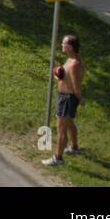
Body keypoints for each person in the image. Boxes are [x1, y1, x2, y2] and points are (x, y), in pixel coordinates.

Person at [43, 34, 86, 166]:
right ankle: (74, 148)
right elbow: (66, 79)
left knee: (61, 129)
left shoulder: (74, 64)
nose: (62, 45)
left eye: (64, 43)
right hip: (65, 97)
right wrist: (57, 74)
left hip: (68, 99)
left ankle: (58, 158)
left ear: (71, 47)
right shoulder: (70, 60)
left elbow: (75, 86)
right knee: (69, 124)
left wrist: (80, 99)